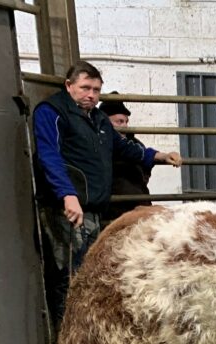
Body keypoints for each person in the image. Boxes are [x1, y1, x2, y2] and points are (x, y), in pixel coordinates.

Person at [32, 60, 181, 330]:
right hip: (66, 210)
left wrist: (159, 156)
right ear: (69, 86)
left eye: (96, 89)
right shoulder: (52, 112)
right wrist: (67, 195)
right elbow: (49, 156)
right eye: (85, 87)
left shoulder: (98, 119)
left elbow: (125, 148)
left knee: (86, 277)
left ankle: (85, 341)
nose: (91, 94)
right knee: (67, 279)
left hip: (92, 211)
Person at [99, 93, 155, 224]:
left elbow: (146, 169)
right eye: (119, 121)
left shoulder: (134, 143)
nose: (124, 125)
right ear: (105, 122)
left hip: (139, 204)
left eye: (126, 121)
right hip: (112, 208)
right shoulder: (99, 144)